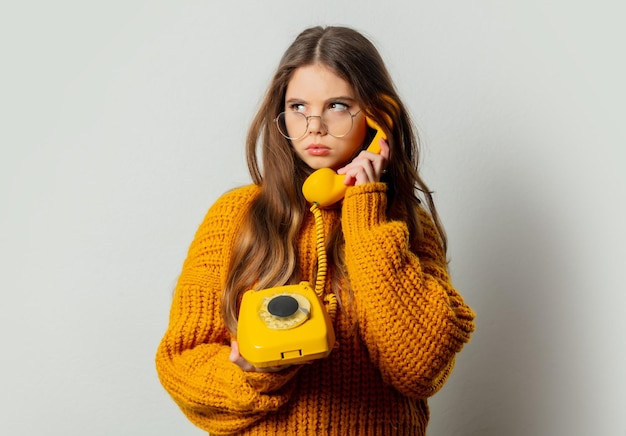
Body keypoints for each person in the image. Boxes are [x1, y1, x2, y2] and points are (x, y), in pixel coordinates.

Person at [156, 25, 475, 435]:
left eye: (338, 105)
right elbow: (181, 362)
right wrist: (255, 375)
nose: (314, 126)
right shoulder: (234, 216)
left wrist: (365, 214)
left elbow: (420, 367)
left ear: (378, 116)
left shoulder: (405, 223)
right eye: (297, 107)